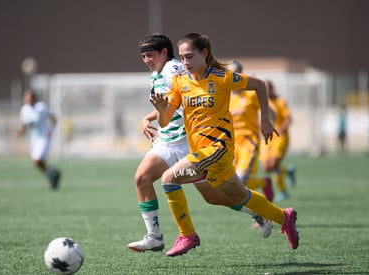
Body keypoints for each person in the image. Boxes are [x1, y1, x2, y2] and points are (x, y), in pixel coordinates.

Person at [150, 32, 299, 256]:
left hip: (218, 149)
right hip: (203, 153)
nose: (185, 62)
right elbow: (165, 120)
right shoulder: (180, 83)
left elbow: (258, 85)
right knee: (240, 197)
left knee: (168, 179)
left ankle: (187, 235)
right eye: (181, 58)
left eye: (190, 56)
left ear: (204, 53)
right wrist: (162, 111)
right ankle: (283, 217)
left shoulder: (221, 77)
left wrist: (266, 119)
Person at [127, 34, 272, 254]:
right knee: (142, 178)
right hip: (168, 142)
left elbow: (181, 100)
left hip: (189, 142)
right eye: (143, 56)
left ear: (164, 53)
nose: (146, 60)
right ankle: (154, 236)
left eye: (150, 55)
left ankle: (256, 211)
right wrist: (150, 116)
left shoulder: (174, 70)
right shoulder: (158, 73)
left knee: (213, 196)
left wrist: (158, 114)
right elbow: (168, 104)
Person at [228, 60, 275, 229]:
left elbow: (270, 112)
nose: (233, 77)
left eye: (236, 74)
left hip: (249, 141)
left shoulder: (250, 95)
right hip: (230, 145)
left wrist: (268, 122)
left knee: (240, 180)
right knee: (233, 183)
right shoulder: (225, 96)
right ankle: (263, 183)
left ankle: (261, 215)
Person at [14, 89, 61, 189]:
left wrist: (51, 129)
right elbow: (24, 126)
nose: (27, 100)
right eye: (26, 98)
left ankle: (51, 175)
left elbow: (53, 117)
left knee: (37, 160)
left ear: (34, 98)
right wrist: (19, 132)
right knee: (36, 162)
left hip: (44, 137)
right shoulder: (24, 110)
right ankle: (53, 174)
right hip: (34, 139)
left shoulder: (41, 107)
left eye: (29, 98)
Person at [259, 80, 295, 201]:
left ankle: (283, 191)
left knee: (274, 164)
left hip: (280, 137)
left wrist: (280, 129)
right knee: (266, 167)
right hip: (268, 137)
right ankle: (287, 171)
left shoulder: (280, 102)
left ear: (272, 89)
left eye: (268, 88)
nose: (266, 91)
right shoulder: (261, 102)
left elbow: (289, 119)